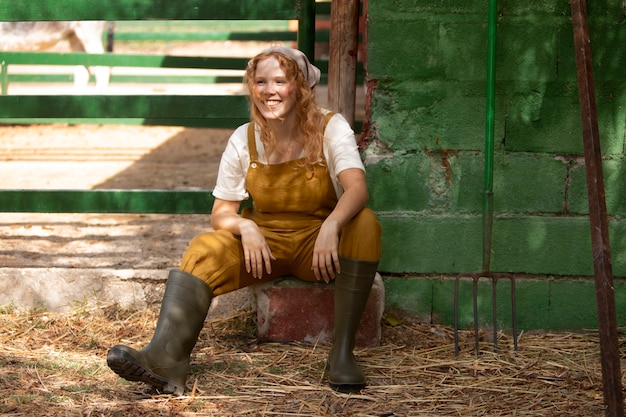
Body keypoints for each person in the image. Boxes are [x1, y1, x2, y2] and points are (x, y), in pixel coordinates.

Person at [106, 46, 382, 395]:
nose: (270, 90)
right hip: (263, 250)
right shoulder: (243, 138)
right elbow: (221, 213)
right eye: (261, 81)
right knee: (205, 246)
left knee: (365, 223)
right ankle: (166, 359)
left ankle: (342, 355)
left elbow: (356, 189)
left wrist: (332, 225)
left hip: (316, 250)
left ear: (299, 87)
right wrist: (245, 226)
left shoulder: (330, 127)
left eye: (280, 81)